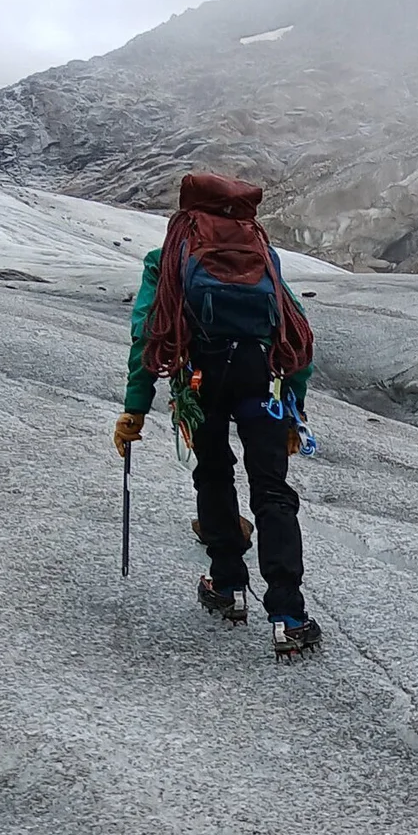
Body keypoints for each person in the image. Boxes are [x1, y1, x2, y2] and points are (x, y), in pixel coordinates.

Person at [114, 172, 322, 659]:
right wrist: (294, 408)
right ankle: (288, 616)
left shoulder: (167, 257)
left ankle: (227, 587)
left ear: (187, 214)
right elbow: (297, 333)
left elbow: (148, 334)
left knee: (213, 473)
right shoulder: (262, 257)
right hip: (260, 377)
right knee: (272, 490)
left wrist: (135, 409)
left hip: (198, 377)